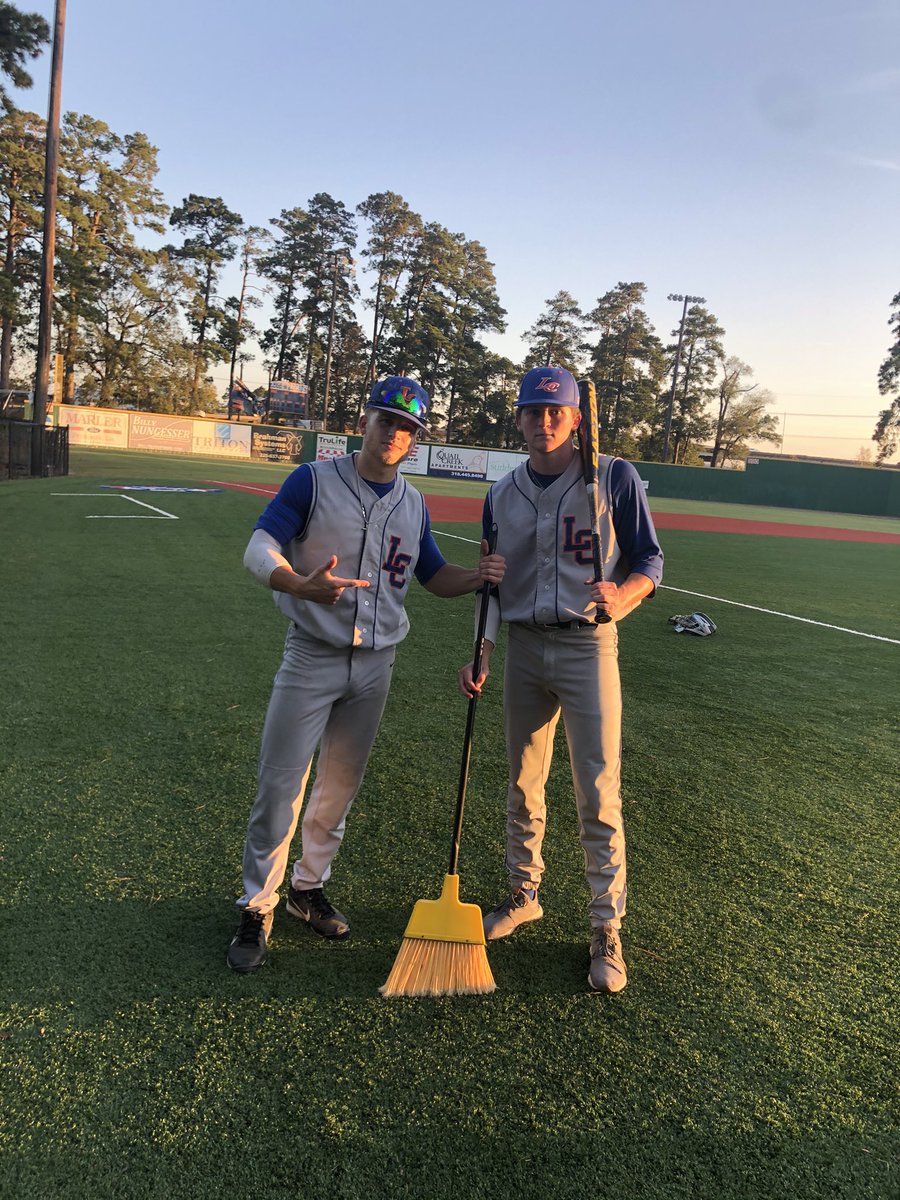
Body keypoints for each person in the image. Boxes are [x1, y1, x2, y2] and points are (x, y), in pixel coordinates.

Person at [228, 376, 506, 973]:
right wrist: (296, 583)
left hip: (377, 664)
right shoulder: (313, 480)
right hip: (312, 654)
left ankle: (307, 888)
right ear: (364, 422)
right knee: (281, 784)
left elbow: (433, 576)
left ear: (416, 440)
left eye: (408, 428)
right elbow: (258, 548)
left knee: (339, 786)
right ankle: (256, 905)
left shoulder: (413, 504)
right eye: (387, 420)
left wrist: (478, 576)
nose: (395, 434)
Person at [458, 365, 663, 993]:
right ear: (519, 419)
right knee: (523, 782)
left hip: (587, 646)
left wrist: (624, 594)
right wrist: (482, 651)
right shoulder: (502, 493)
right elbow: (492, 582)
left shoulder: (615, 477)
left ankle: (606, 926)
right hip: (523, 647)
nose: (544, 422)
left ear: (576, 419)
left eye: (556, 412)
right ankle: (524, 893)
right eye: (533, 411)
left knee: (597, 791)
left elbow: (650, 559)